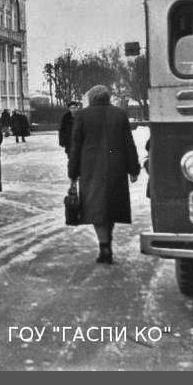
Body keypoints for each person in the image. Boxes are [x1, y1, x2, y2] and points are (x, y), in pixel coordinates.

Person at [68, 85, 140, 265]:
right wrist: (133, 169)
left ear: (91, 98)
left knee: (97, 208)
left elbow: (75, 146)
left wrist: (73, 172)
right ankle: (108, 241)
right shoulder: (120, 114)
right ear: (108, 97)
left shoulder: (82, 115)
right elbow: (129, 144)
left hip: (91, 169)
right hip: (117, 167)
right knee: (111, 206)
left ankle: (104, 246)